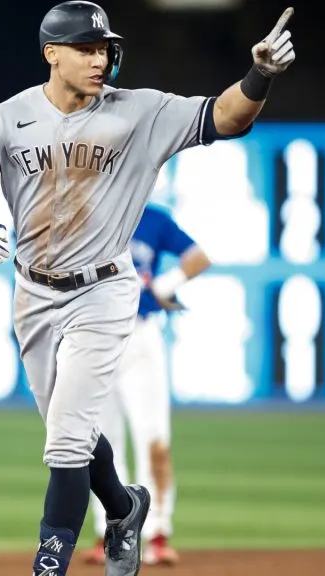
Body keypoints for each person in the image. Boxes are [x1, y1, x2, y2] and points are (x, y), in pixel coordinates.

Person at [0, 2, 296, 574]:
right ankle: (125, 505)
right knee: (66, 424)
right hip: (33, 294)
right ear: (52, 54)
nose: (99, 58)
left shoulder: (139, 112)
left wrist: (260, 76)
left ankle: (48, 565)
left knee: (65, 445)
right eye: (85, 48)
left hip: (103, 291)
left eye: (104, 47)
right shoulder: (7, 119)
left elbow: (226, 118)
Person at [83, 205, 211, 567]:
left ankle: (157, 534)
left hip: (140, 336)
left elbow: (198, 258)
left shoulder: (151, 217)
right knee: (98, 444)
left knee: (152, 437)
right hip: (93, 335)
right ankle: (110, 535)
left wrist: (162, 287)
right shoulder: (87, 210)